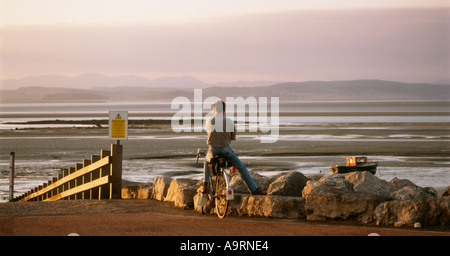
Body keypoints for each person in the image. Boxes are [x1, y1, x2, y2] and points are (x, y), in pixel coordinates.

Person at [199, 99, 265, 195]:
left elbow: (210, 134)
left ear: (214, 109)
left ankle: (205, 185)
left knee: (206, 161)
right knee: (241, 167)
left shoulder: (208, 121)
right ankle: (254, 190)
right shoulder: (229, 121)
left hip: (213, 150)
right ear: (224, 110)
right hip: (226, 149)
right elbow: (233, 138)